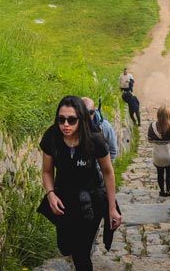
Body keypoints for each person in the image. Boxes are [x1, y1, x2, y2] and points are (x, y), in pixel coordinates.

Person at [39, 96, 121, 271]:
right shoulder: (52, 136)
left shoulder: (95, 140)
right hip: (64, 198)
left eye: (71, 119)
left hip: (91, 199)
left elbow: (108, 172)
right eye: (61, 119)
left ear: (81, 119)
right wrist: (51, 194)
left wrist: (112, 207)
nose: (65, 125)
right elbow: (47, 171)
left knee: (81, 253)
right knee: (65, 247)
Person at [147, 106, 170, 197]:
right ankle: (168, 191)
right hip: (169, 156)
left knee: (160, 173)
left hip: (158, 156)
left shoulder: (152, 126)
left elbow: (150, 140)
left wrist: (158, 141)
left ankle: (161, 191)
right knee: (169, 173)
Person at [83, 97, 118, 162]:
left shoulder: (105, 126)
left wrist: (103, 167)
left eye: (90, 112)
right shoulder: (71, 125)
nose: (87, 115)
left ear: (94, 111)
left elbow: (113, 149)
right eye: (84, 112)